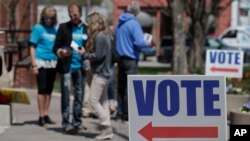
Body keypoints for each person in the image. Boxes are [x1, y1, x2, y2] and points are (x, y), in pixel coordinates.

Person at [115, 1, 155, 121]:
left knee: (121, 88)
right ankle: (127, 114)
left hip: (120, 58)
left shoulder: (119, 23)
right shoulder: (134, 23)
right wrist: (149, 43)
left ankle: (119, 112)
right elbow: (139, 42)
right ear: (136, 12)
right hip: (131, 58)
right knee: (130, 88)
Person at [53, 2, 87, 134]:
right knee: (66, 96)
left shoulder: (86, 28)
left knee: (79, 96)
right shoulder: (63, 27)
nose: (73, 15)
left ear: (80, 13)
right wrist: (61, 52)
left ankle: (77, 122)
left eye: (75, 12)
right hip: (67, 67)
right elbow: (55, 47)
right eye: (70, 12)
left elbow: (90, 47)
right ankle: (66, 123)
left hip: (81, 67)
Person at [84, 11, 114, 140]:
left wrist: (84, 54)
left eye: (89, 23)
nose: (88, 26)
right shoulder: (106, 35)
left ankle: (106, 126)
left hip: (101, 73)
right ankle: (106, 131)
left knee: (93, 100)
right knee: (104, 102)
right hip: (107, 73)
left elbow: (98, 56)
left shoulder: (100, 36)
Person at [29, 5, 57, 127]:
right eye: (46, 18)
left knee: (49, 90)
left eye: (51, 18)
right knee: (42, 89)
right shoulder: (38, 28)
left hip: (52, 62)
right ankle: (40, 116)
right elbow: (32, 47)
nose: (48, 20)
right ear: (43, 17)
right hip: (40, 61)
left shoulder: (55, 29)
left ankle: (46, 114)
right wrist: (34, 64)